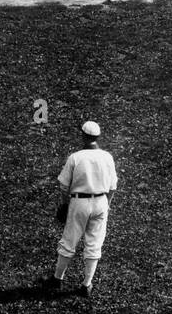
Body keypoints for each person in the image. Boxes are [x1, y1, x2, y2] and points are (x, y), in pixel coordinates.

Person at [39, 120, 119, 299]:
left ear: (83, 135)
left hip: (79, 202)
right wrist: (108, 204)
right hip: (101, 202)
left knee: (69, 241)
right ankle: (86, 284)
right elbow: (113, 186)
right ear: (97, 137)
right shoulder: (107, 157)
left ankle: (57, 278)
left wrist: (65, 204)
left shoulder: (75, 157)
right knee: (94, 244)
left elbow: (63, 185)